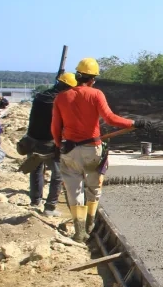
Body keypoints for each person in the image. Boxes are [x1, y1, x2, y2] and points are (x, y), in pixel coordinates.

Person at [51, 58, 152, 242]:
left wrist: (59, 147)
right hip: (92, 150)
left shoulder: (61, 98)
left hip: (69, 151)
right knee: (94, 187)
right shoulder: (96, 94)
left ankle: (80, 231)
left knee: (74, 190)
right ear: (92, 79)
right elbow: (111, 119)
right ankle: (91, 224)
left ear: (77, 76)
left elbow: (55, 128)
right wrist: (134, 123)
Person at [26, 72, 77, 217]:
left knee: (36, 170)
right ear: (66, 87)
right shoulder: (60, 101)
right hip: (48, 143)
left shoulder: (40, 97)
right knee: (59, 174)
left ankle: (35, 201)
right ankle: (50, 207)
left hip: (31, 139)